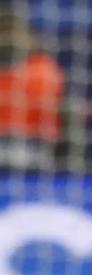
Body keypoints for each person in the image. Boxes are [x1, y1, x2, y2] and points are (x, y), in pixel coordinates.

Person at [0, 3, 79, 170]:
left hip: (36, 152)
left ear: (30, 38)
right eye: (4, 33)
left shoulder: (44, 70)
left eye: (13, 33)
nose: (8, 40)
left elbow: (65, 117)